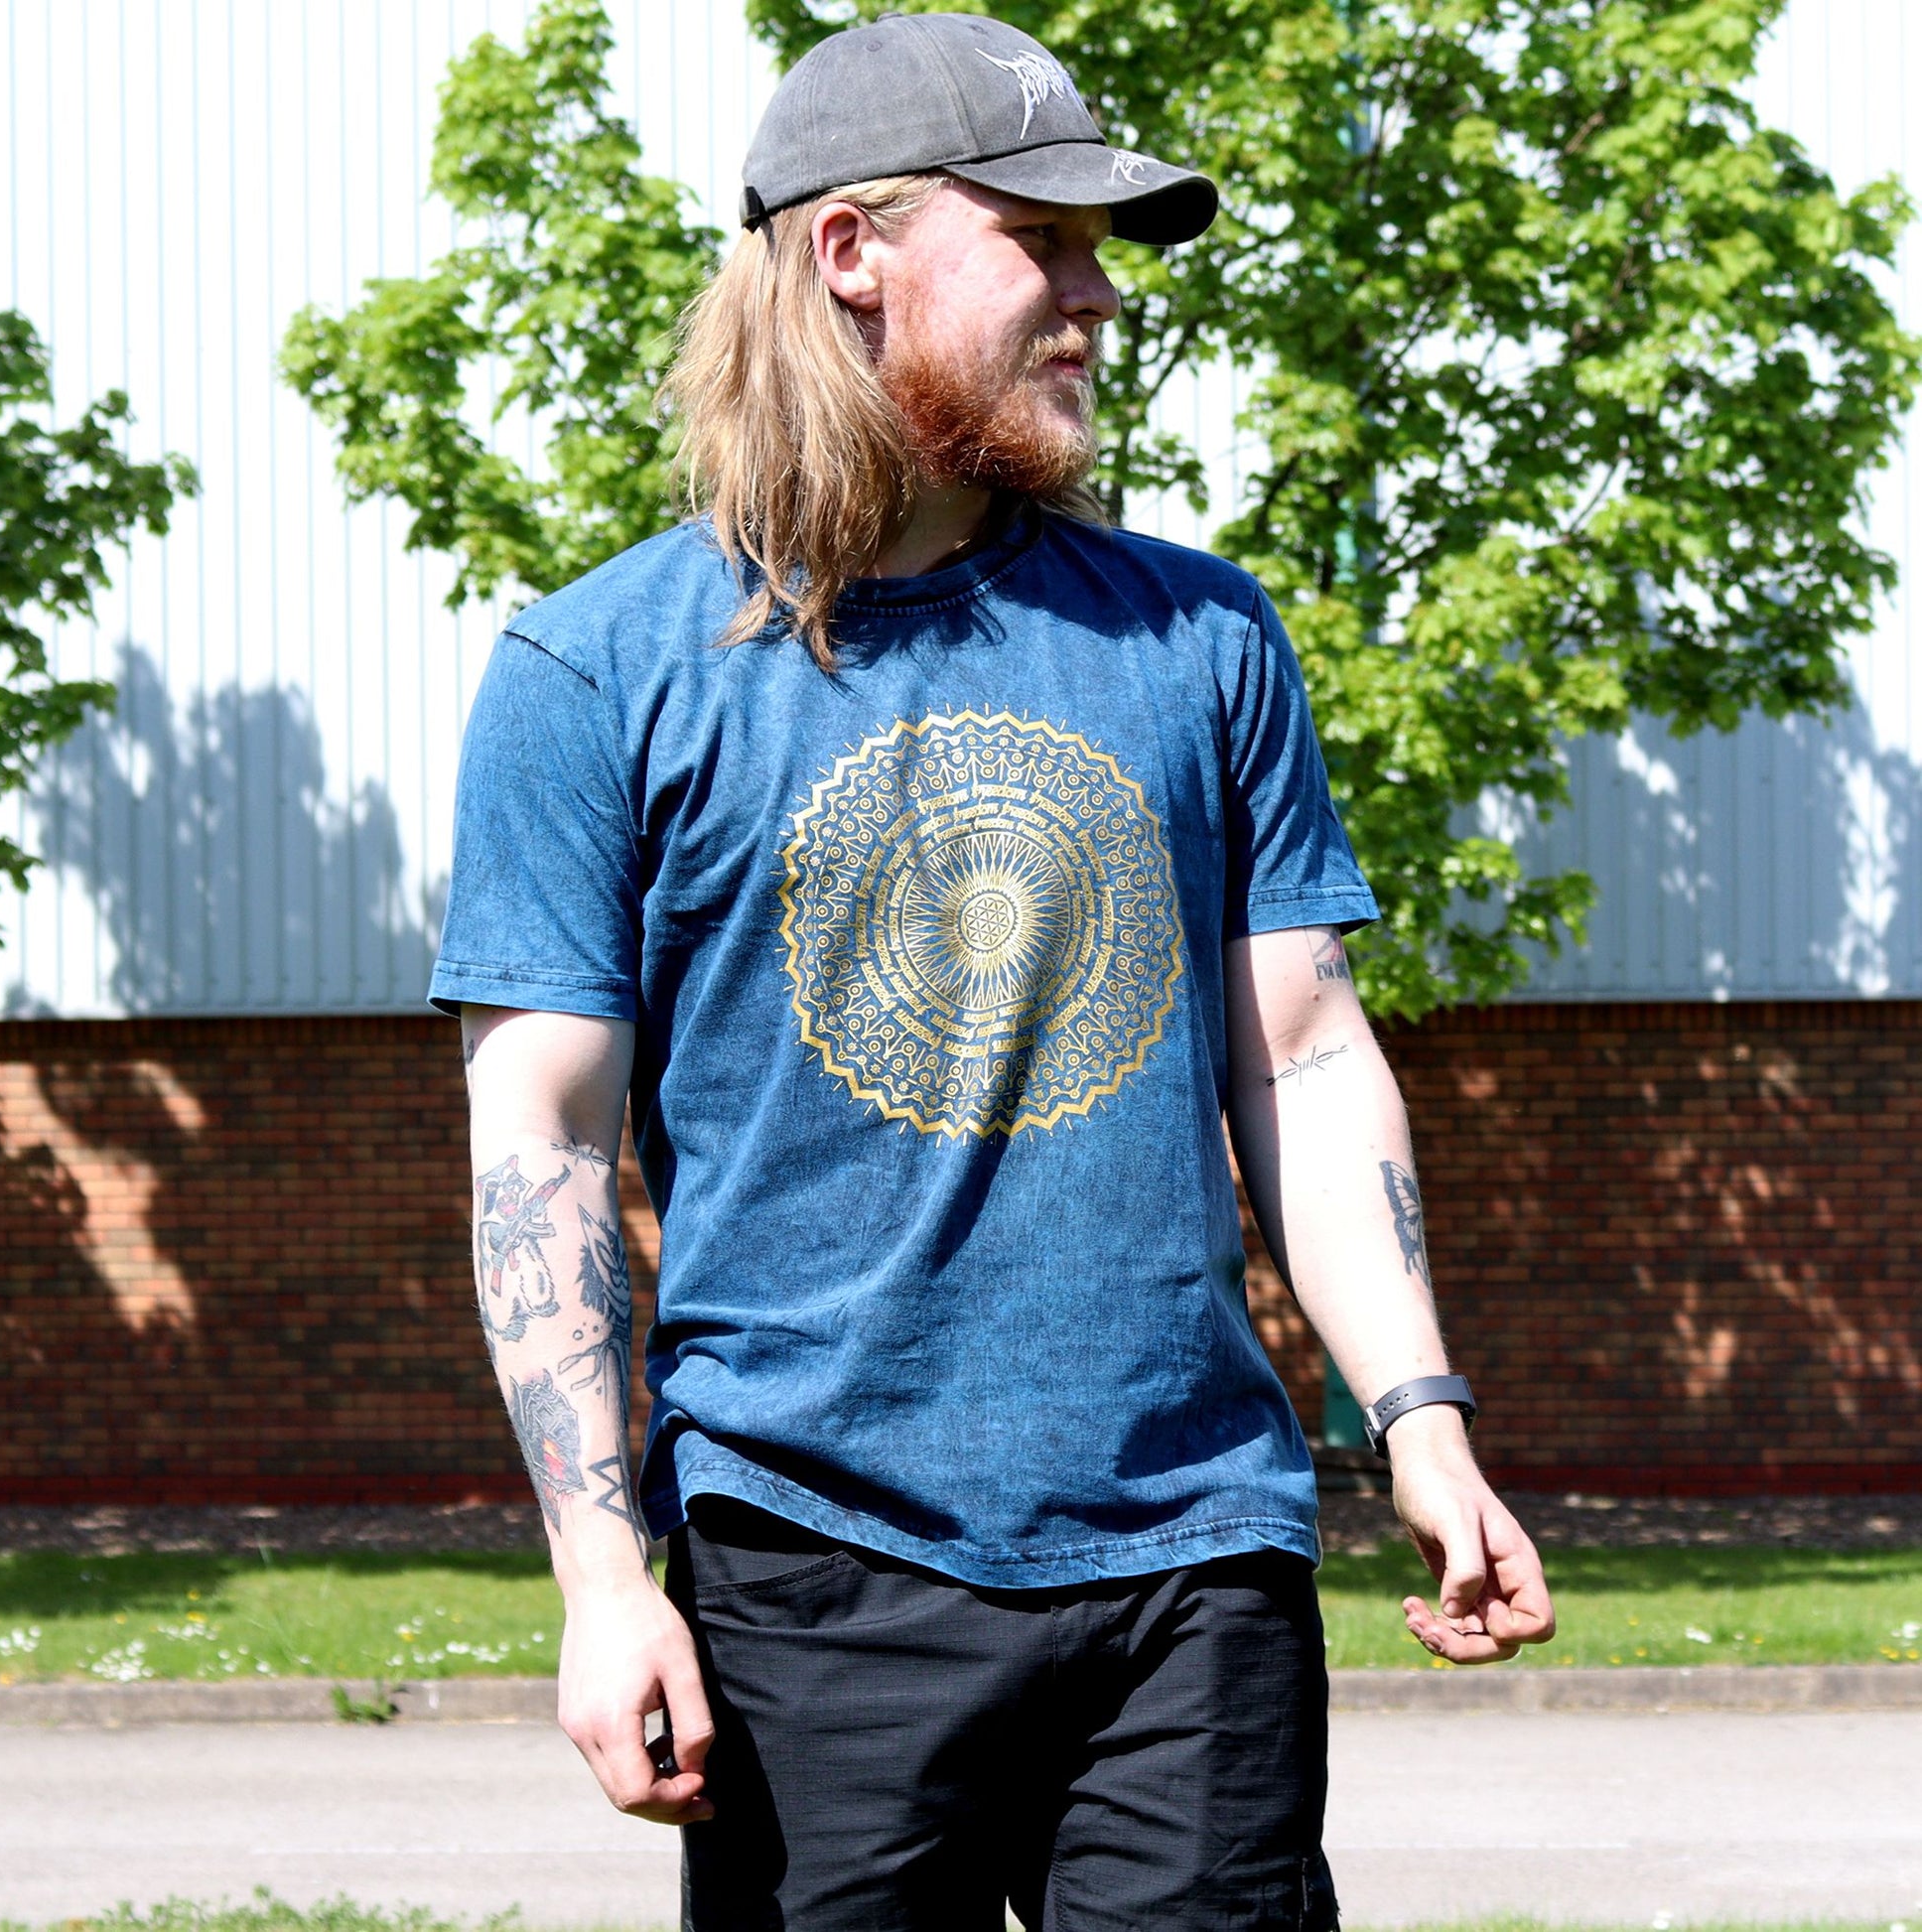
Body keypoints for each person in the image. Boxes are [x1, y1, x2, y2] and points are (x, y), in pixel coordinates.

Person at [431, 14, 1555, 1928]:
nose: (1096, 298)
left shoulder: (1201, 640)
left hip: (1193, 1559)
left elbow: (1299, 1053)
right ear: (848, 251)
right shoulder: (598, 672)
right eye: (1041, 241)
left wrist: (1418, 1418)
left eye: (1099, 252)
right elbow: (537, 1139)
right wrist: (603, 1579)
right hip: (807, 1566)